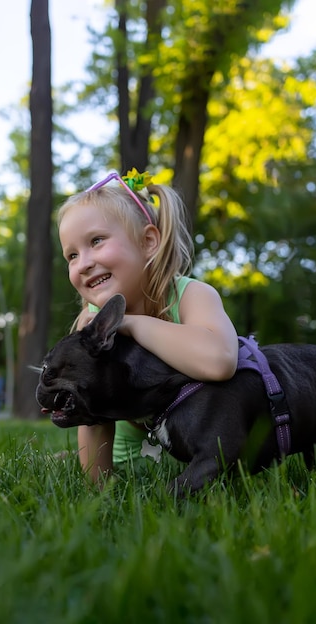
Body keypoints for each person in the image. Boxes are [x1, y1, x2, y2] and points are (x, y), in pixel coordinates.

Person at [57, 168, 239, 484]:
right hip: (135, 466)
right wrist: (97, 490)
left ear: (148, 242)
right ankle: (62, 459)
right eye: (71, 255)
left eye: (96, 241)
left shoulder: (191, 296)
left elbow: (220, 361)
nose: (83, 262)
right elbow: (90, 409)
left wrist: (133, 324)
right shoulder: (92, 326)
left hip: (207, 456)